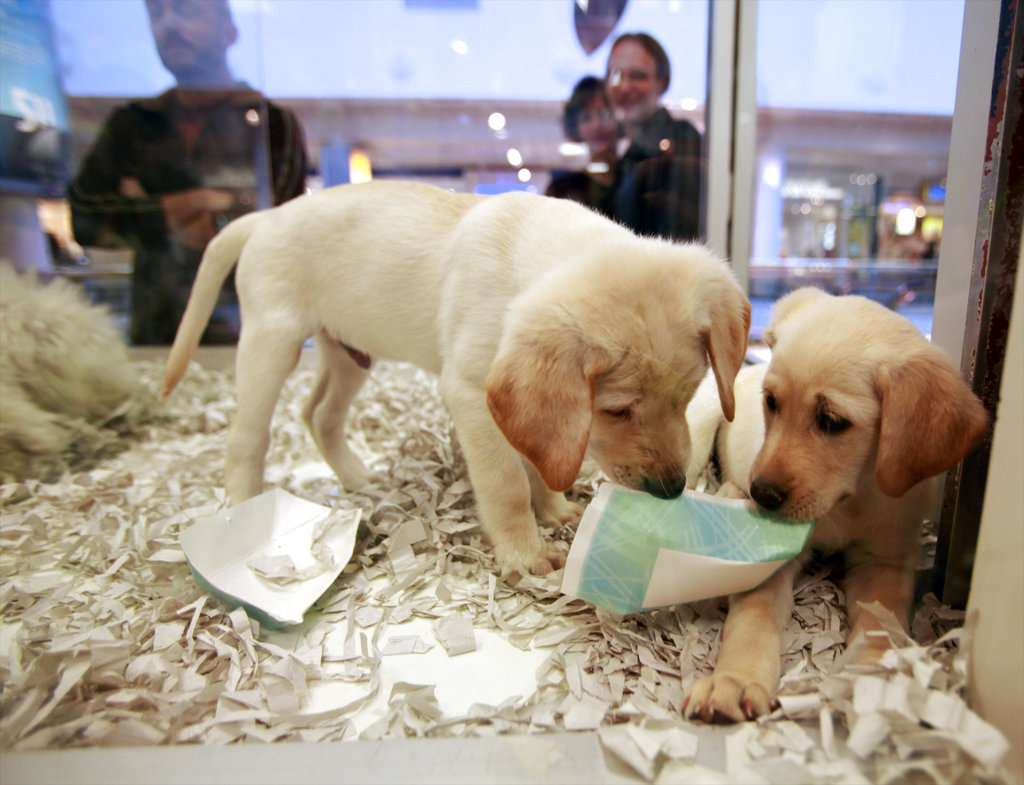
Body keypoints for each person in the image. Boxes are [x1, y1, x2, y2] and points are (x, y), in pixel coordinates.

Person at [68, 0, 307, 345]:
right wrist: (192, 204)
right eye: (157, 14)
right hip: (156, 331)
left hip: (249, 329)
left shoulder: (272, 124)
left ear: (229, 30)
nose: (169, 25)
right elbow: (85, 219)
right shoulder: (132, 124)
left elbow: (282, 233)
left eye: (187, 10)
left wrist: (148, 210)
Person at [604, 32, 703, 241]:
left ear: (662, 83)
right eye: (615, 75)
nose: (624, 87)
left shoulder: (683, 140)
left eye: (638, 76)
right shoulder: (613, 151)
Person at [546, 76, 620, 217]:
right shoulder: (563, 188)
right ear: (575, 127)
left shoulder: (636, 177)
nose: (597, 125)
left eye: (605, 113)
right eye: (586, 117)